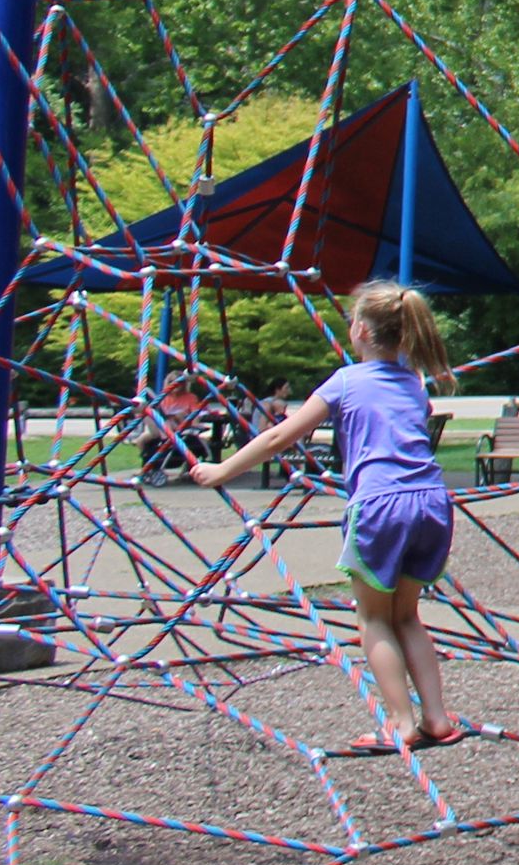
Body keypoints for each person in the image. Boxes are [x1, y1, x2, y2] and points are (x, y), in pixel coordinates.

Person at [189, 281, 467, 756]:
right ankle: (437, 718)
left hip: (381, 506)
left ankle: (400, 723)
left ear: (359, 329)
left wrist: (221, 471)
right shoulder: (414, 385)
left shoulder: (344, 381)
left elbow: (280, 438)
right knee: (407, 616)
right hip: (432, 502)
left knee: (373, 620)